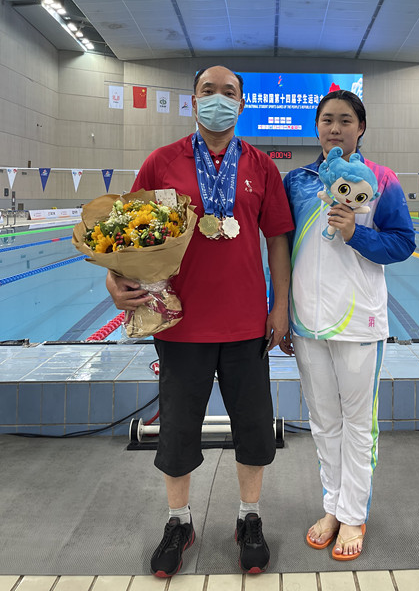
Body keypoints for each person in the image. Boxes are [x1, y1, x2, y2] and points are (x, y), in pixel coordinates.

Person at [106, 65, 293, 577]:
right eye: (208, 91)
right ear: (193, 101)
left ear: (242, 104)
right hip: (179, 324)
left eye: (228, 92)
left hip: (247, 324)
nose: (218, 99)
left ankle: (249, 516)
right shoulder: (161, 162)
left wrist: (280, 306)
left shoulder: (261, 166)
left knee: (253, 428)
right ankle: (179, 521)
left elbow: (278, 239)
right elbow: (126, 234)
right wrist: (114, 280)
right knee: (178, 431)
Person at [282, 89, 415, 561]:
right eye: (327, 120)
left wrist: (356, 232)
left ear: (361, 127)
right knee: (323, 422)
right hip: (307, 322)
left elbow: (403, 243)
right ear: (316, 127)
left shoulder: (380, 179)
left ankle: (354, 514)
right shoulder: (298, 182)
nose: (335, 128)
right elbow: (279, 246)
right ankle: (333, 507)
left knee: (359, 425)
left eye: (344, 120)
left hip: (360, 321)